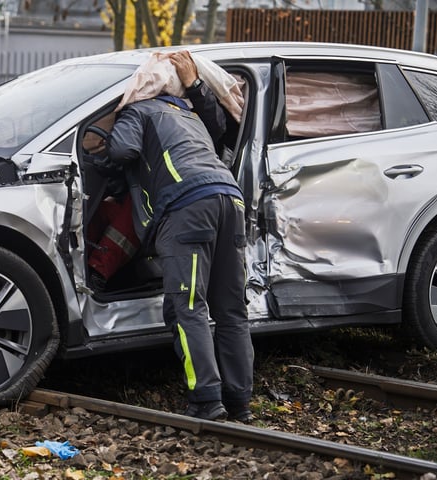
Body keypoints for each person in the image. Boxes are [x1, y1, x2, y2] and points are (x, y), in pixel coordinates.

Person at [106, 53, 255, 422]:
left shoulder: (138, 111)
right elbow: (220, 126)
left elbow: (122, 151)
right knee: (231, 309)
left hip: (187, 206)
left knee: (188, 306)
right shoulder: (190, 113)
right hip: (230, 199)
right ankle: (240, 401)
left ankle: (206, 400)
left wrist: (112, 136)